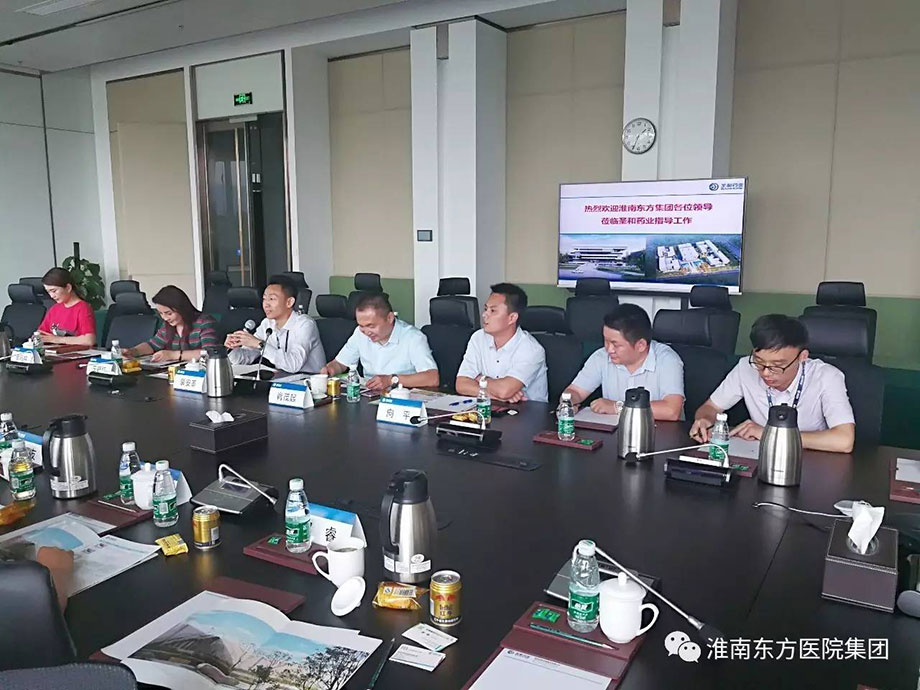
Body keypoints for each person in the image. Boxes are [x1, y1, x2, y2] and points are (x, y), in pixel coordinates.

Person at [690, 314, 855, 453]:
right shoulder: (745, 367)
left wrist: (770, 435)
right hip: (760, 456)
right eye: (759, 362)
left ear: (802, 357)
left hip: (810, 460)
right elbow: (711, 407)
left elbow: (844, 440)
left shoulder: (827, 377)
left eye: (777, 366)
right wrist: (705, 420)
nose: (765, 373)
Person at [562, 304, 684, 421]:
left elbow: (672, 410)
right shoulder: (601, 357)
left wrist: (617, 407)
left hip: (656, 432)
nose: (609, 349)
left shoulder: (667, 360)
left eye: (615, 344)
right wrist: (568, 403)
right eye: (606, 341)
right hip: (614, 431)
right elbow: (575, 391)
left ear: (641, 345)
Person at [320, 293, 438, 392]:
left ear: (390, 318)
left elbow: (432, 378)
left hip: (401, 398)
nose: (366, 332)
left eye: (371, 326)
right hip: (368, 395)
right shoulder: (360, 333)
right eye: (361, 326)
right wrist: (330, 369)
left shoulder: (413, 337)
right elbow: (340, 363)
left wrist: (391, 380)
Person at [456, 283, 548, 403]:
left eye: (493, 310)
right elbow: (461, 384)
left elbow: (504, 390)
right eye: (486, 309)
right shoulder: (478, 338)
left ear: (512, 318)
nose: (484, 315)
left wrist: (479, 379)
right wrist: (495, 396)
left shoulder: (532, 349)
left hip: (527, 411)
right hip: (491, 406)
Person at [224, 275, 325, 373]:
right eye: (264, 299)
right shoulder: (267, 324)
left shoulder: (305, 324)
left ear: (289, 302)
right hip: (281, 379)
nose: (266, 304)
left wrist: (260, 344)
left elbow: (294, 365)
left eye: (272, 299)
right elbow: (245, 358)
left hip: (310, 380)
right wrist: (231, 349)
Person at [123, 285, 218, 363]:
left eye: (169, 313)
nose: (165, 318)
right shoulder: (167, 325)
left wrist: (173, 355)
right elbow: (152, 345)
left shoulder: (204, 322)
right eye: (161, 313)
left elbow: (210, 353)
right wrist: (133, 351)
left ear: (182, 308)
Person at [36, 267, 97, 346]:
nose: (52, 296)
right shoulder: (54, 309)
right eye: (48, 292)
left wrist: (57, 339)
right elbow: (41, 333)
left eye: (54, 291)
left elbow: (89, 340)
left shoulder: (83, 308)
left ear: (68, 288)